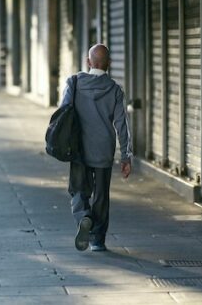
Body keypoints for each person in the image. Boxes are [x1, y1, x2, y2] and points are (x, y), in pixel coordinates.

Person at [58, 44, 132, 252]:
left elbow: (64, 111)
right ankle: (97, 240)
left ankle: (84, 217)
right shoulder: (115, 90)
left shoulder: (74, 82)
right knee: (101, 195)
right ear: (108, 64)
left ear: (88, 62)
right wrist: (126, 156)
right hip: (104, 149)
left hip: (79, 148)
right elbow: (122, 124)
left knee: (78, 190)